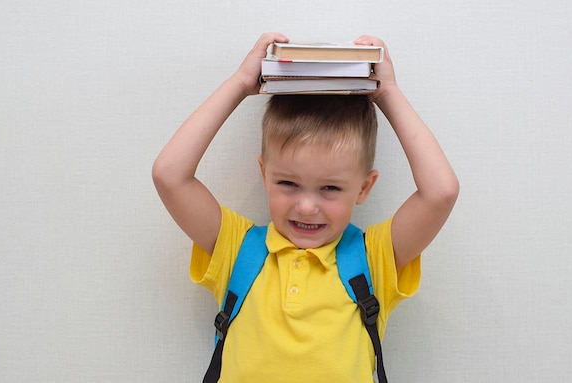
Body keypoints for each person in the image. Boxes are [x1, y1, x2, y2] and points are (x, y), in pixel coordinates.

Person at [152, 32, 459, 382]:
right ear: (264, 174)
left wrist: (388, 94)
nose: (307, 206)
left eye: (330, 187)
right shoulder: (238, 248)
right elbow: (169, 175)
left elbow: (441, 192)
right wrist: (239, 83)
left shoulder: (372, 258)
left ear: (364, 187)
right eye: (287, 183)